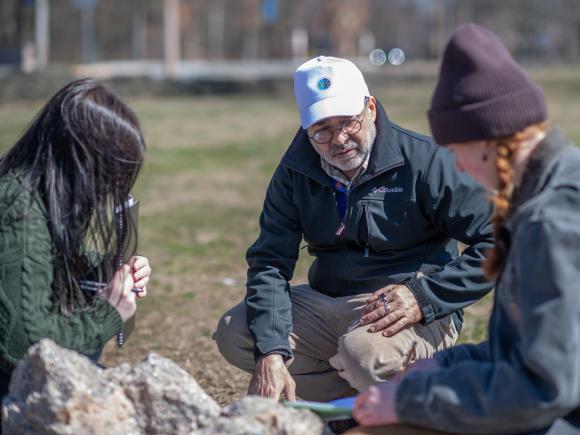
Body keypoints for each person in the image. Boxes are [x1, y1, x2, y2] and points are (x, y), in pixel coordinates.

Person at [214, 55, 494, 402]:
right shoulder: (293, 172)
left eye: (349, 122)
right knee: (237, 332)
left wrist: (424, 297)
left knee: (364, 354)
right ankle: (350, 410)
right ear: (306, 129)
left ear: (371, 108)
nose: (339, 139)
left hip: (408, 303)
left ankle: (430, 401)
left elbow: (499, 241)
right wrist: (271, 352)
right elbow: (270, 262)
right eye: (322, 130)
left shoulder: (427, 161)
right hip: (326, 301)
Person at [351, 23, 580, 435]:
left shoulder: (551, 224)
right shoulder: (554, 189)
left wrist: (408, 401)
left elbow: (543, 387)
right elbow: (527, 350)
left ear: (490, 140)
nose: (457, 167)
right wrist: (446, 363)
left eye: (457, 152)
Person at [0, 79, 151, 398]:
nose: (111, 190)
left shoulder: (30, 191)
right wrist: (107, 314)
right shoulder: (18, 213)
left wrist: (106, 268)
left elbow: (44, 262)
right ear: (83, 161)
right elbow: (24, 347)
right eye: (110, 175)